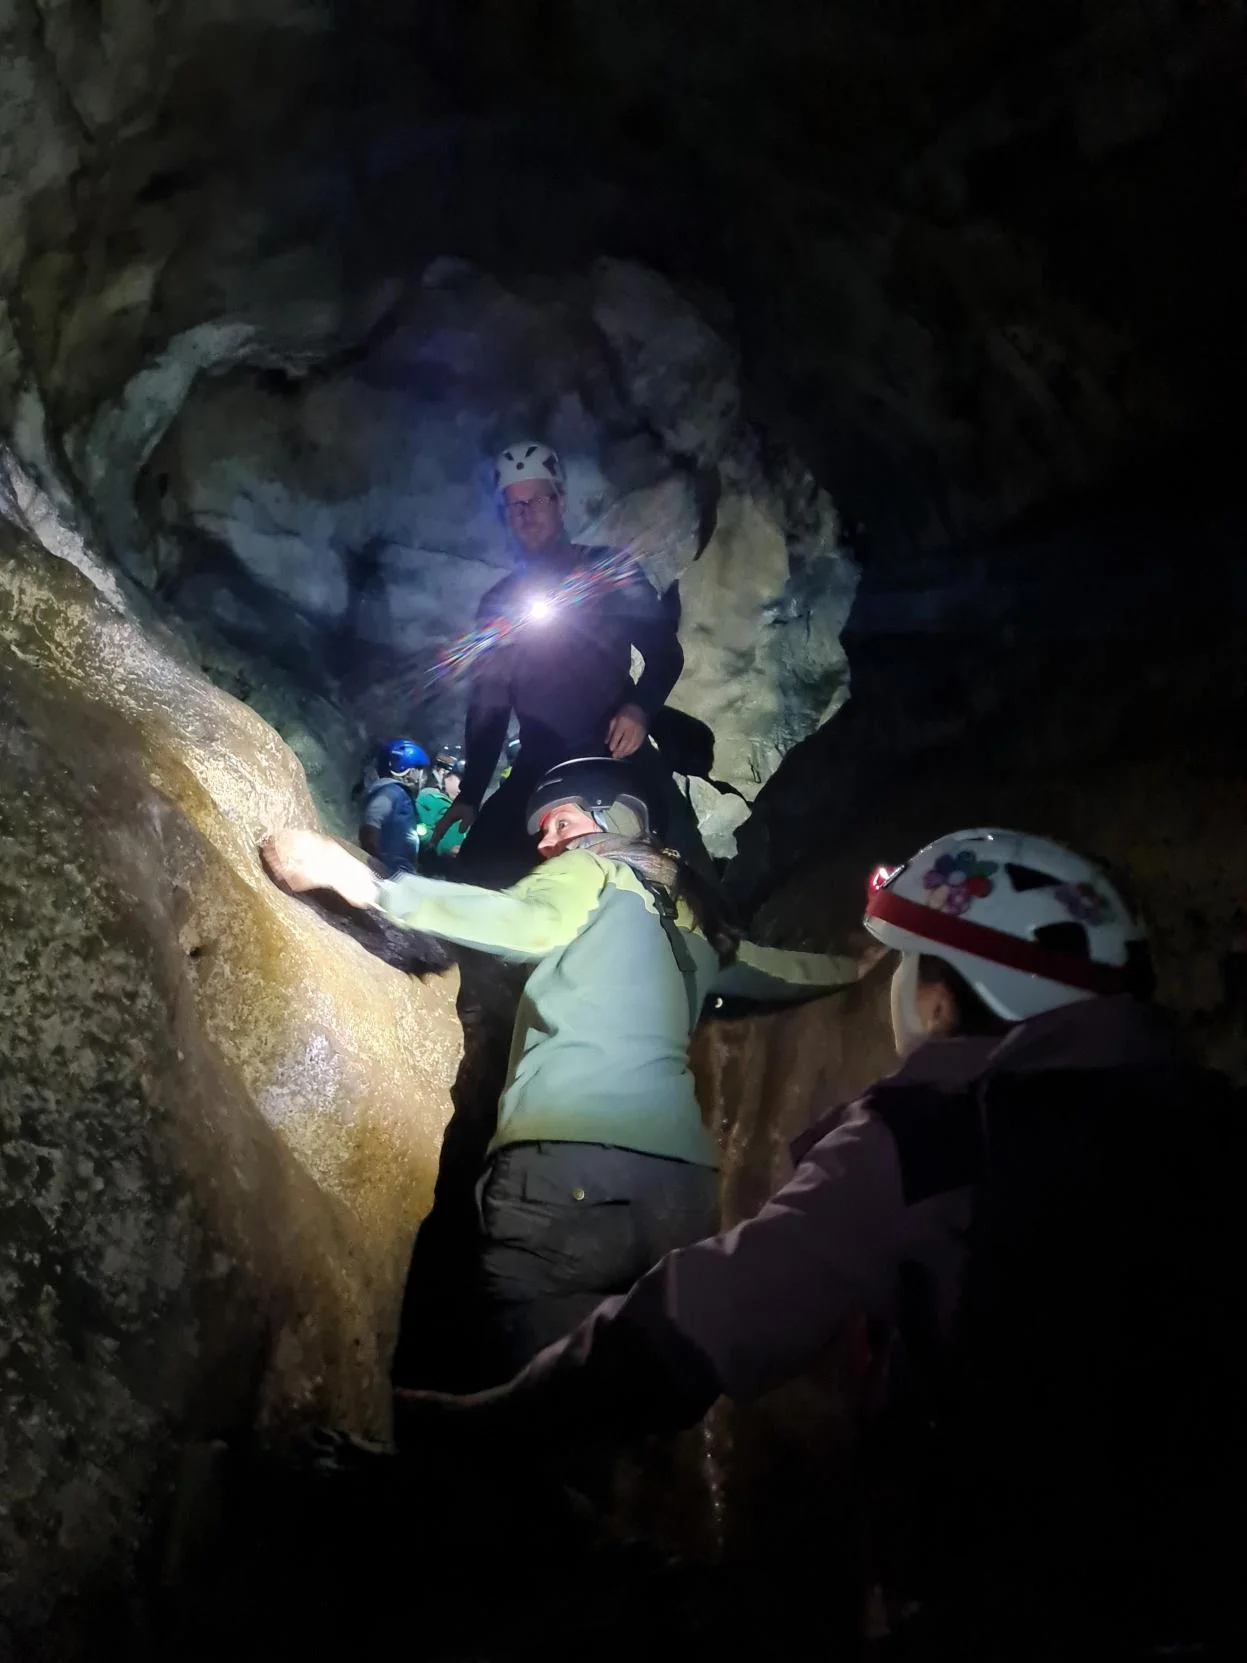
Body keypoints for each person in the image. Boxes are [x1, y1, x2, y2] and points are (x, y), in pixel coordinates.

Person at [391, 828, 1237, 1657]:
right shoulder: (1211, 1112)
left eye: (912, 968)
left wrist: (490, 1416)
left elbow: (709, 1318)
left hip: (1021, 1594)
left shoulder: (932, 1133)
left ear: (943, 992)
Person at [261, 756, 867, 1379]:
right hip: (682, 1192)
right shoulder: (695, 923)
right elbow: (778, 969)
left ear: (611, 821)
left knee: (525, 1399)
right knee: (622, 1397)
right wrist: (862, 968)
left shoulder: (593, 868)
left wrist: (373, 887)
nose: (548, 843)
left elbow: (527, 924)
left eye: (561, 822)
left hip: (569, 1168)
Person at [434, 442, 696, 887]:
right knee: (479, 867)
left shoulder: (609, 569)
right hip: (542, 758)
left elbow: (665, 653)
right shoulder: (498, 602)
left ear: (560, 501)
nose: (526, 513)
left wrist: (640, 709)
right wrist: (473, 792)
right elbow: (489, 704)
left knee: (680, 853)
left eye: (537, 499)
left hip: (614, 746)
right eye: (513, 505)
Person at [357, 738, 429, 875]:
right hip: (390, 874)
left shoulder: (399, 793)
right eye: (419, 769)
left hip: (397, 874)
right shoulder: (392, 791)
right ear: (407, 769)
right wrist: (375, 863)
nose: (422, 776)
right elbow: (370, 824)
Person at [414, 752, 468, 867]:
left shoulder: (466, 807)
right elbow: (418, 829)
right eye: (461, 781)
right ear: (447, 776)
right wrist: (444, 848)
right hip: (430, 869)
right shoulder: (429, 797)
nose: (463, 787)